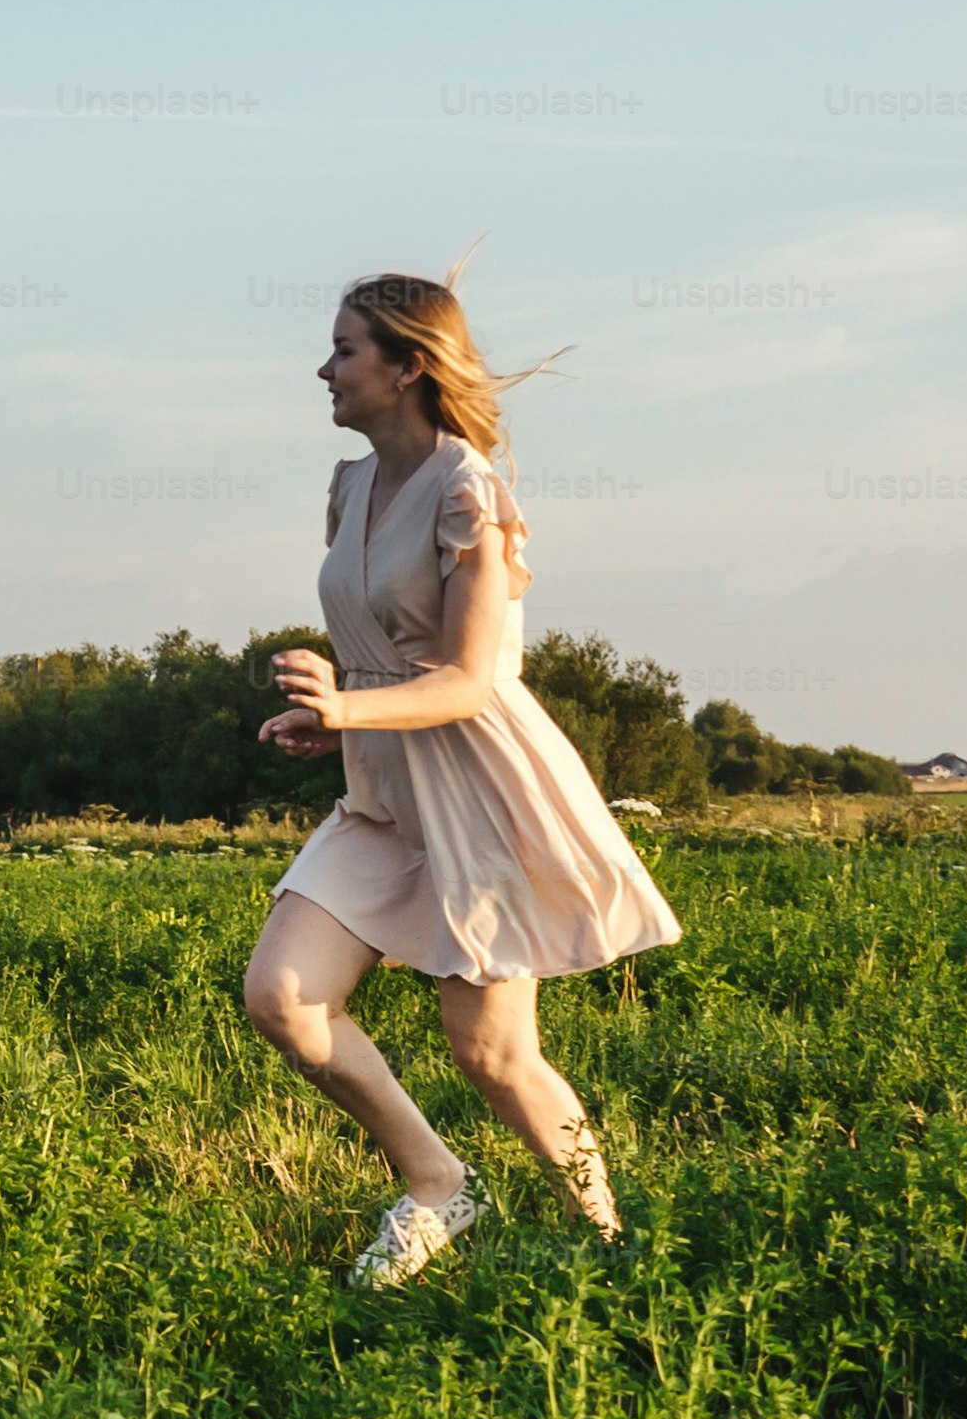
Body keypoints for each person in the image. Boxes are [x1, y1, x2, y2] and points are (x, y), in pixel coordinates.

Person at [243, 273, 677, 1287]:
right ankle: (436, 1180)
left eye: (345, 350)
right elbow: (388, 661)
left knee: (489, 1054)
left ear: (408, 367)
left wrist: (350, 703)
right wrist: (335, 716)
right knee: (281, 997)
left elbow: (470, 678)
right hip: (383, 789)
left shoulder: (466, 488)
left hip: (480, 791)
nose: (324, 369)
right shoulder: (348, 486)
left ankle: (611, 1248)